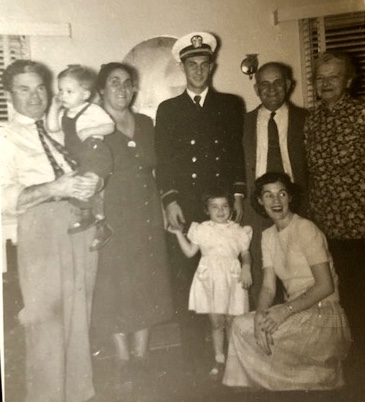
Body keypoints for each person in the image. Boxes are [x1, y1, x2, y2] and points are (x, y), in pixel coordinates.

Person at [1, 60, 100, 401]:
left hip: (80, 224)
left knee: (79, 320)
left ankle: (79, 395)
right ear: (9, 94)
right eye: (24, 89)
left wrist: (90, 183)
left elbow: (85, 167)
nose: (35, 96)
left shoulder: (61, 127)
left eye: (40, 87)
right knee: (46, 325)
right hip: (41, 228)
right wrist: (54, 188)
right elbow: (5, 198)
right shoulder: (6, 137)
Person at [155, 31, 245, 372]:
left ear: (212, 67)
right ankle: (194, 356)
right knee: (187, 280)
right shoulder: (168, 109)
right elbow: (164, 160)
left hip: (218, 210)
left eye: (204, 64)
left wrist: (237, 194)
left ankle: (230, 354)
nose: (198, 71)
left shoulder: (229, 105)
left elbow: (236, 152)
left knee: (225, 281)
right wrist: (170, 201)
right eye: (192, 64)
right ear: (182, 67)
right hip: (186, 208)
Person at [223, 172, 351, 390]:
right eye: (269, 195)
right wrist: (261, 315)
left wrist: (283, 311)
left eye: (282, 194)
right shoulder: (268, 236)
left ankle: (321, 374)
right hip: (296, 312)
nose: (276, 201)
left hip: (323, 315)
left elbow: (325, 285)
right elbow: (268, 287)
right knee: (242, 324)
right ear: (260, 201)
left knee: (250, 332)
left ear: (290, 197)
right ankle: (313, 375)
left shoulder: (306, 228)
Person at [90, 63, 174, 390]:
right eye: (115, 83)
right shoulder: (92, 125)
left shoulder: (146, 123)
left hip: (147, 213)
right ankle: (123, 358)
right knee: (115, 286)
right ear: (102, 90)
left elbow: (157, 170)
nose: (122, 89)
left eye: (127, 83)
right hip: (112, 214)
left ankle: (142, 355)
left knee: (146, 283)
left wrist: (164, 208)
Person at [304, 51, 365, 381]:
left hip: (360, 226)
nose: (325, 83)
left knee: (360, 297)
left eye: (334, 77)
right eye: (320, 77)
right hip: (326, 227)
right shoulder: (312, 120)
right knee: (340, 299)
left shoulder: (362, 114)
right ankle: (351, 366)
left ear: (348, 81)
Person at [168, 188, 252, 379]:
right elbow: (190, 252)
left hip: (233, 278)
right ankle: (219, 359)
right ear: (207, 210)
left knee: (233, 320)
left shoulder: (238, 231)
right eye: (214, 207)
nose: (220, 211)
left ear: (231, 209)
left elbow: (245, 253)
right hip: (211, 279)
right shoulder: (201, 229)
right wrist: (178, 234)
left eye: (224, 206)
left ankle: (234, 360)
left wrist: (246, 268)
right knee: (216, 322)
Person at [243, 62, 309, 308]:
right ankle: (266, 334)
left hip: (296, 208)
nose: (271, 89)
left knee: (299, 274)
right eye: (264, 84)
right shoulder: (243, 122)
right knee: (262, 276)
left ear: (289, 85)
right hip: (257, 210)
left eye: (278, 83)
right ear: (256, 89)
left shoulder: (306, 119)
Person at [46, 65, 115, 250]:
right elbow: (52, 127)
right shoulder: (65, 113)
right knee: (80, 187)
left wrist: (91, 130)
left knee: (89, 184)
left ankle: (98, 222)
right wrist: (54, 107)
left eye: (69, 91)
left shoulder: (91, 110)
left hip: (96, 153)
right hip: (80, 157)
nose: (63, 95)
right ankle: (94, 220)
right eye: (60, 90)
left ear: (85, 94)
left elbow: (110, 126)